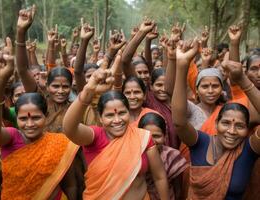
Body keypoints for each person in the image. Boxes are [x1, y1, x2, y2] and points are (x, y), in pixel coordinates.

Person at [63, 67, 170, 199]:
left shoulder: (142, 137)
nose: (117, 120)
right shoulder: (95, 137)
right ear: (101, 118)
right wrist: (88, 91)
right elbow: (69, 128)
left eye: (122, 113)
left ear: (128, 112)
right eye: (109, 115)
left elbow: (159, 177)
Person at [172, 39, 260, 199]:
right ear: (216, 123)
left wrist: (242, 79)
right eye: (226, 123)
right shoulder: (201, 143)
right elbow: (179, 122)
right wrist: (182, 65)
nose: (231, 131)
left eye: (240, 126)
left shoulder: (249, 150)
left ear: (248, 129)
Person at [0, 35, 80, 199]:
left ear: (45, 116)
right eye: (23, 119)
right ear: (15, 118)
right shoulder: (12, 137)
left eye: (35, 118)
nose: (30, 124)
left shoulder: (60, 143)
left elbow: (70, 184)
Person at [138, 112, 188, 200]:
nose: (152, 141)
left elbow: (178, 189)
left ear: (165, 137)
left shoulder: (171, 156)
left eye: (157, 136)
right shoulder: (134, 157)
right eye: (147, 136)